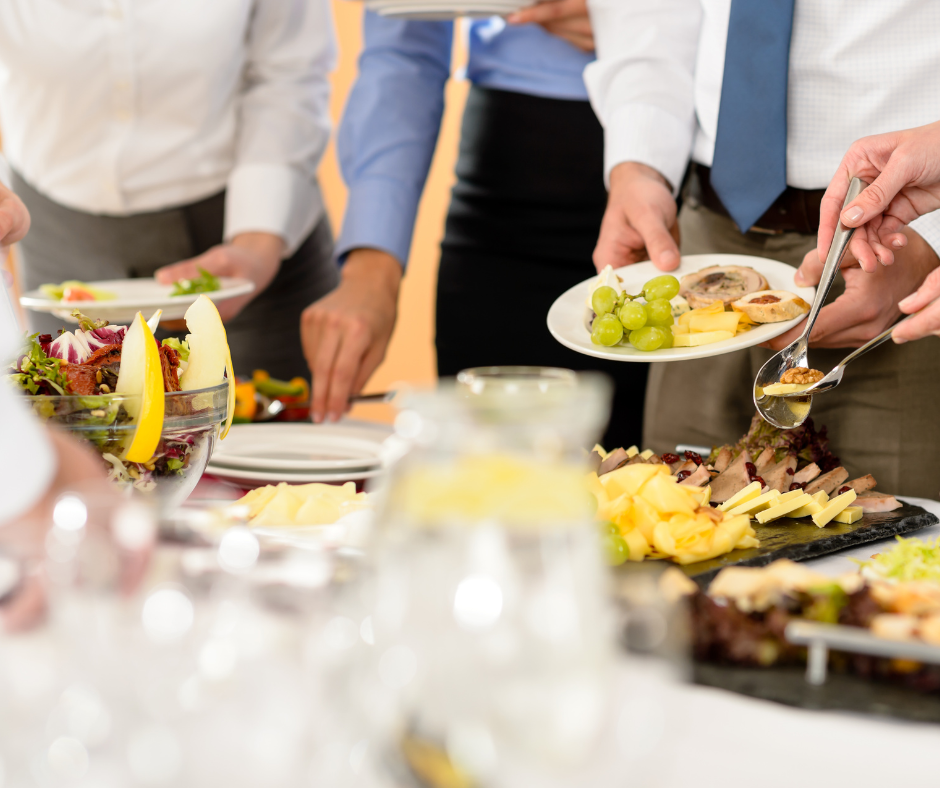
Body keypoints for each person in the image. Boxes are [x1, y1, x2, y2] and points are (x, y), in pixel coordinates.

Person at [584, 0, 940, 497]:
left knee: (888, 550)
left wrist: (932, 236)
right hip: (699, 242)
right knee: (676, 531)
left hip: (894, 242)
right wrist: (638, 161)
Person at [300, 0, 649, 448]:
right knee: (486, 491)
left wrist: (654, 25)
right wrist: (372, 267)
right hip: (508, 194)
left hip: (696, 175)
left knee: (692, 491)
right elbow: (404, 47)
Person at [0, 0, 338, 382]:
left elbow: (290, 72)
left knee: (267, 428)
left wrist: (258, 241)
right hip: (58, 233)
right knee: (81, 427)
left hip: (245, 232)